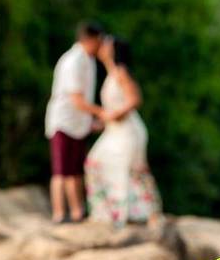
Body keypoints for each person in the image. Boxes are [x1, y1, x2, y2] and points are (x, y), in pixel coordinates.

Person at [85, 36, 161, 227]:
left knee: (131, 170)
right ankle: (110, 213)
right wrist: (101, 122)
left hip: (127, 131)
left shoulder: (121, 72)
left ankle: (143, 213)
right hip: (113, 130)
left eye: (106, 45)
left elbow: (134, 99)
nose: (101, 47)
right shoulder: (112, 74)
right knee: (96, 163)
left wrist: (112, 115)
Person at [45, 21, 104, 223]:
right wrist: (102, 113)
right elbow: (76, 99)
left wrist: (91, 120)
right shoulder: (72, 61)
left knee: (76, 170)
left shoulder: (88, 61)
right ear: (91, 39)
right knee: (61, 171)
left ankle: (78, 211)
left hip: (79, 123)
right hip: (64, 121)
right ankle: (59, 213)